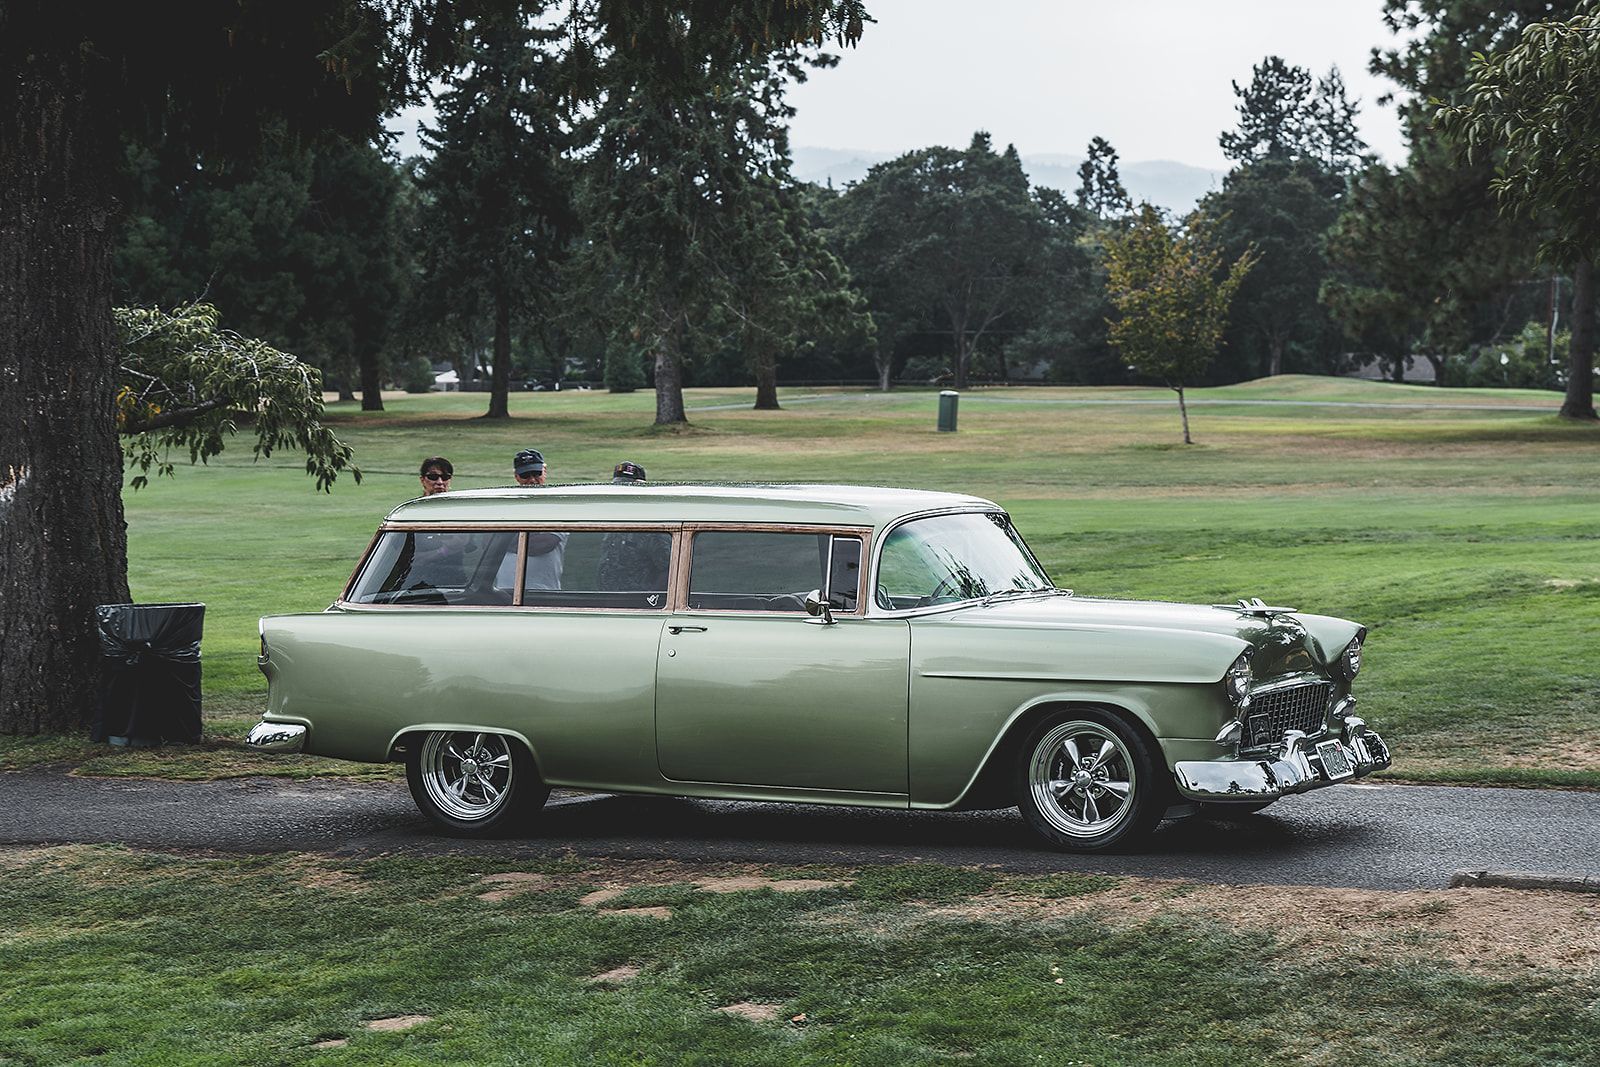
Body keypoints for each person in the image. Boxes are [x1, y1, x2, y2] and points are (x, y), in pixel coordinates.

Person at [598, 461, 670, 597]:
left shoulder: (650, 525)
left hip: (636, 601)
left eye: (625, 487)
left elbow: (668, 569)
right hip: (608, 599)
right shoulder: (614, 519)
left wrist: (650, 598)